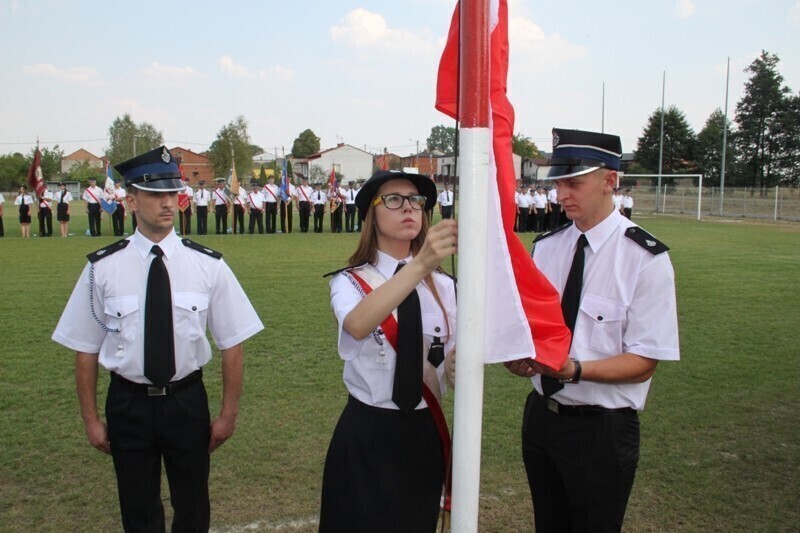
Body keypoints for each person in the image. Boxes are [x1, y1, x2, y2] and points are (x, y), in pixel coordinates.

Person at [51, 146, 264, 532]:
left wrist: (228, 415)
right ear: (131, 201)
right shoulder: (103, 268)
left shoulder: (208, 265)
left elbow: (233, 343)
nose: (168, 203)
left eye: (172, 193)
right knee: (137, 509)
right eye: (154, 195)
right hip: (128, 403)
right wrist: (91, 419)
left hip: (186, 402)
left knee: (193, 507)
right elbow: (85, 349)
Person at [505, 128, 680, 532]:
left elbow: (645, 360)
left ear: (609, 180)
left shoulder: (645, 259)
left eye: (574, 183)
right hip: (542, 418)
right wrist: (519, 357)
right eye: (558, 184)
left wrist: (574, 370)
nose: (562, 194)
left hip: (601, 429)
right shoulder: (547, 247)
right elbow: (533, 328)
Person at [319, 170, 458, 532]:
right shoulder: (350, 281)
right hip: (367, 432)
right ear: (372, 214)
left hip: (424, 431)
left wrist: (458, 367)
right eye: (394, 200)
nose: (408, 208)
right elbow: (357, 324)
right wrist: (420, 265)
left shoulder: (447, 287)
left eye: (415, 200)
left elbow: (453, 366)